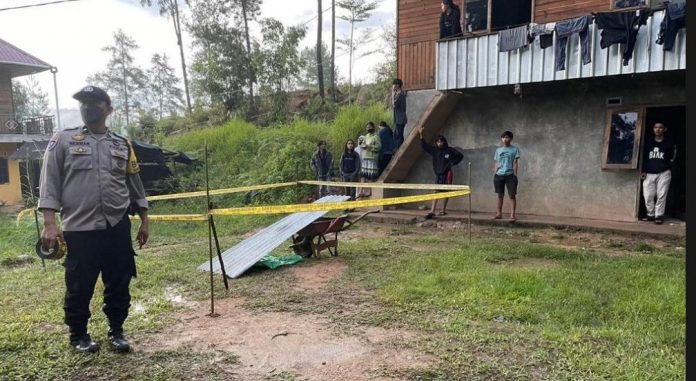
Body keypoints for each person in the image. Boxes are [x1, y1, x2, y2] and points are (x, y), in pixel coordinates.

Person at [38, 85, 149, 353]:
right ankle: (78, 335)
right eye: (83, 102)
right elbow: (50, 181)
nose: (88, 106)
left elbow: (134, 182)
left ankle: (117, 331)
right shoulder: (63, 140)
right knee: (79, 285)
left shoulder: (122, 144)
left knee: (119, 281)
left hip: (116, 226)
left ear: (108, 109)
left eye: (94, 102)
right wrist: (50, 223)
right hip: (80, 228)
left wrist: (144, 218)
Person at [419, 127, 463, 218]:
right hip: (438, 174)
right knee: (436, 191)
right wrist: (420, 135)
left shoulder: (449, 150)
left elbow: (460, 156)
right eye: (438, 142)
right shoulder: (434, 150)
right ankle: (432, 210)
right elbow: (425, 146)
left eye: (441, 141)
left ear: (444, 142)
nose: (439, 143)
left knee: (445, 192)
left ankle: (443, 210)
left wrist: (452, 163)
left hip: (447, 174)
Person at [641, 122, 676, 225]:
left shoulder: (669, 143)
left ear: (665, 129)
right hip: (649, 173)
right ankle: (650, 215)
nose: (658, 129)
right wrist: (643, 170)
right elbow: (643, 157)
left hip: (664, 172)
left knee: (661, 194)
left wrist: (668, 166)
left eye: (660, 127)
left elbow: (673, 157)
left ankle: (659, 216)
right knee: (648, 195)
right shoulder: (648, 143)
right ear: (653, 129)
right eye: (655, 127)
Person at [493, 130, 520, 221]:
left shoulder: (515, 149)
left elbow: (515, 163)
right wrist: (494, 174)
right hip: (499, 175)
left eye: (507, 137)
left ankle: (512, 215)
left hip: (510, 175)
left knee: (512, 195)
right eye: (503, 137)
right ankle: (499, 213)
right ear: (501, 139)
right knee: (500, 195)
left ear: (511, 139)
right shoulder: (498, 150)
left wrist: (515, 175)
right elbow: (496, 162)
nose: (505, 139)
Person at [358, 122, 381, 198]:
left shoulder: (376, 137)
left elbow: (379, 147)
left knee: (371, 176)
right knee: (363, 176)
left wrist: (370, 147)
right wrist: (362, 145)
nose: (368, 128)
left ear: (373, 127)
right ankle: (361, 191)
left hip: (372, 158)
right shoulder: (366, 136)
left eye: (370, 127)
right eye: (367, 127)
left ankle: (370, 192)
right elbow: (362, 145)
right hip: (365, 157)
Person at [391, 79, 407, 149]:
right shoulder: (400, 93)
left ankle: (400, 152)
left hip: (400, 119)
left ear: (397, 85)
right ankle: (398, 151)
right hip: (399, 119)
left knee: (399, 137)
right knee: (396, 136)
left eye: (393, 85)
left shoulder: (399, 94)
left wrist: (392, 95)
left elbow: (394, 105)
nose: (392, 86)